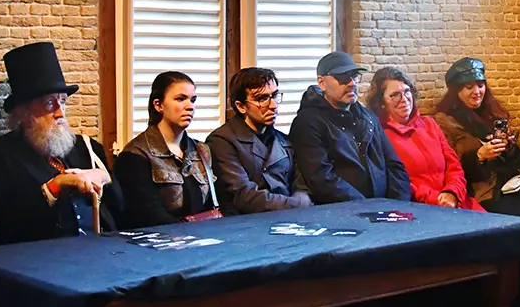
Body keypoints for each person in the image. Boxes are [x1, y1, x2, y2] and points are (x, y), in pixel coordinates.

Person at [434, 57, 520, 286]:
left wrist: (510, 148)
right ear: (456, 91)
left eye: (480, 85)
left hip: (508, 185)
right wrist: (479, 156)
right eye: (468, 87)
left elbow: (519, 161)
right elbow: (448, 165)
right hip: (480, 193)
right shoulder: (445, 122)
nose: (476, 92)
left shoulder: (493, 114)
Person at [0, 42, 121, 243]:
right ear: (23, 113)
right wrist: (55, 186)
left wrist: (104, 177)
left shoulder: (87, 147)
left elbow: (121, 209)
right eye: (49, 103)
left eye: (62, 101)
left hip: (101, 249)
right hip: (42, 256)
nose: (60, 113)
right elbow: (6, 223)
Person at [290, 51, 411, 204]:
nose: (352, 83)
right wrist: (367, 207)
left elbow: (395, 166)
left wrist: (398, 205)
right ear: (322, 83)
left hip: (383, 209)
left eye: (354, 76)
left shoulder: (368, 118)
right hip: (340, 211)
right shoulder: (308, 123)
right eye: (342, 78)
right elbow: (321, 179)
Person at [370, 67, 483, 212]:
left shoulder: (429, 123)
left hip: (457, 201)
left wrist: (452, 192)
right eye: (395, 95)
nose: (404, 99)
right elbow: (399, 183)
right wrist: (437, 199)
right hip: (420, 209)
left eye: (407, 92)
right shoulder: (379, 135)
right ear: (381, 102)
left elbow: (454, 165)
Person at [114, 71, 218, 226]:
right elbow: (146, 215)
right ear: (158, 105)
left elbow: (214, 203)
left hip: (203, 233)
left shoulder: (201, 150)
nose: (190, 107)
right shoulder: (135, 155)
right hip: (162, 236)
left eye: (193, 100)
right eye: (180, 99)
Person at [207, 67, 312, 215]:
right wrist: (295, 205)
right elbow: (243, 195)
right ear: (241, 106)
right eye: (262, 99)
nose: (273, 105)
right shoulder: (222, 141)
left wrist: (301, 202)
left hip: (289, 218)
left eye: (274, 96)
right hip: (245, 222)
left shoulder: (284, 141)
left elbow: (301, 185)